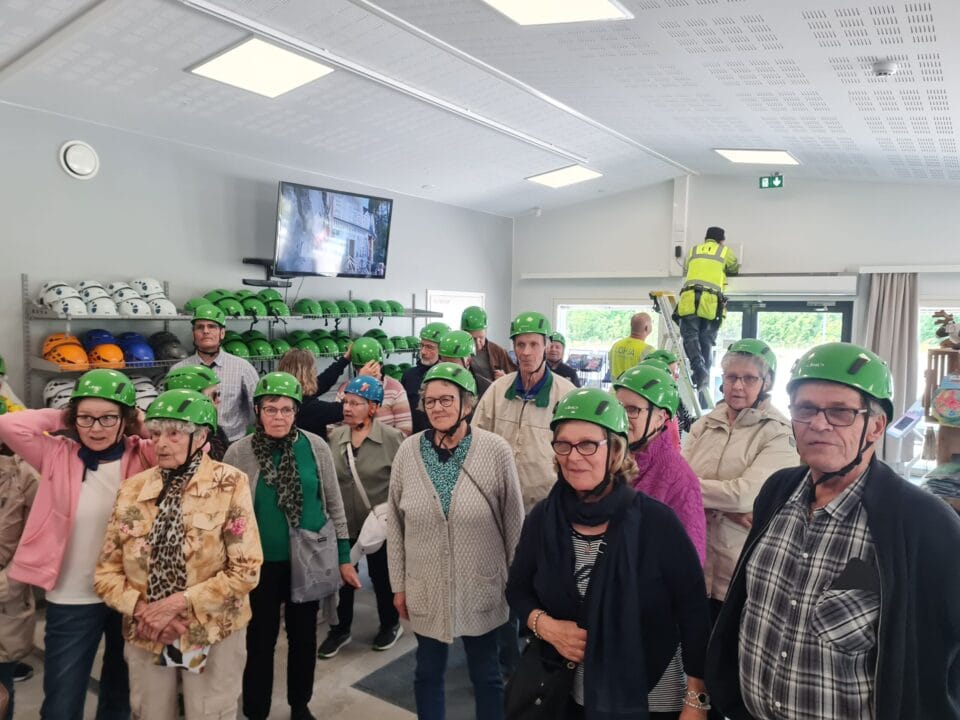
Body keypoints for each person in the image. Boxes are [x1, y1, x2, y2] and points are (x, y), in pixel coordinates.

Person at [706, 342, 960, 720]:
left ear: (876, 426)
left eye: (841, 412)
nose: (818, 424)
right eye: (805, 409)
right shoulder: (777, 492)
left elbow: (942, 661)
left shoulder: (924, 523)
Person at [506, 388, 712, 719]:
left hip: (650, 694)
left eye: (588, 444)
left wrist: (696, 698)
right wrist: (546, 627)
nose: (573, 457)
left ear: (615, 450)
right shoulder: (544, 518)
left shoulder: (656, 522)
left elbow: (693, 611)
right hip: (565, 690)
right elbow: (517, 589)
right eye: (563, 444)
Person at [95, 389, 263, 719]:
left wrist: (175, 606)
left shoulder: (230, 484)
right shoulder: (132, 490)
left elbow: (246, 569)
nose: (161, 443)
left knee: (209, 712)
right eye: (156, 433)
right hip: (147, 632)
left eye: (174, 434)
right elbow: (106, 572)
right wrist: (146, 613)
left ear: (201, 437)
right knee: (151, 712)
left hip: (210, 630)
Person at [0, 368, 157, 720]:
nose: (96, 428)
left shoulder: (143, 455)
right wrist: (65, 416)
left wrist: (139, 421)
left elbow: (195, 446)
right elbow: (8, 426)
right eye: (86, 418)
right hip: (71, 596)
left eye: (108, 418)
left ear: (125, 419)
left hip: (128, 594)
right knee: (61, 701)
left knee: (119, 694)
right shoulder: (58, 454)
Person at [388, 363, 524, 720]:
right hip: (426, 587)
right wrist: (398, 585)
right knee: (427, 673)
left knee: (487, 674)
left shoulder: (495, 450)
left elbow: (514, 524)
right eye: (430, 401)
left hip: (482, 586)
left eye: (446, 399)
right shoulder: (407, 452)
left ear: (467, 403)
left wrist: (518, 585)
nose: (437, 408)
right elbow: (395, 527)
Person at [222, 372, 359, 720]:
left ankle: (300, 705)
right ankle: (256, 711)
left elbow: (334, 503)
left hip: (308, 560)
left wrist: (344, 557)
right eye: (270, 409)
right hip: (258, 566)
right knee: (259, 641)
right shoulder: (239, 451)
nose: (279, 417)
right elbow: (225, 513)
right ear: (257, 410)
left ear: (297, 411)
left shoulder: (315, 447)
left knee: (303, 639)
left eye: (287, 409)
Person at [682, 340, 798, 623]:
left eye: (749, 378)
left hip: (739, 572)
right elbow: (677, 479)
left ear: (766, 382)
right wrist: (728, 507)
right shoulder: (704, 425)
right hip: (694, 562)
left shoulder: (779, 433)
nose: (737, 386)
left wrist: (698, 496)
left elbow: (744, 496)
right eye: (731, 377)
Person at [319, 375, 404, 658]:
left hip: (379, 525)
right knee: (342, 579)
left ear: (373, 407)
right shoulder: (336, 437)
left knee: (382, 577)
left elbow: (403, 482)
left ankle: (390, 624)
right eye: (346, 402)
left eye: (356, 403)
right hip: (344, 524)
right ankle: (339, 630)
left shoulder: (392, 439)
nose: (347, 408)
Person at [472, 312, 576, 513]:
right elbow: (476, 440)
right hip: (499, 501)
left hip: (547, 504)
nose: (526, 352)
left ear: (546, 346)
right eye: (520, 345)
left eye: (534, 344)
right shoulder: (497, 390)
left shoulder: (567, 394)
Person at [613, 364, 706, 563]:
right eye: (618, 407)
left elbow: (689, 560)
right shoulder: (610, 459)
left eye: (632, 410)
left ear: (660, 418)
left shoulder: (678, 478)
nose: (622, 417)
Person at [171, 303, 259, 441]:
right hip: (191, 444)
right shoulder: (178, 371)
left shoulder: (243, 368)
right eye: (200, 327)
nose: (206, 331)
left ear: (222, 333)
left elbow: (257, 408)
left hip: (231, 443)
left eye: (211, 326)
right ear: (193, 334)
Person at [0, 444, 38, 720]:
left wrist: (8, 581)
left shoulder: (23, 475)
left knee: (1, 687)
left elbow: (38, 540)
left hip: (4, 601)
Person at [676, 226, 739, 388]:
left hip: (689, 299)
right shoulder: (724, 251)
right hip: (711, 302)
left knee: (690, 336)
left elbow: (687, 267)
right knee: (707, 340)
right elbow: (734, 267)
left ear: (706, 238)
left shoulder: (693, 250)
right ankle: (704, 375)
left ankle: (698, 369)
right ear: (722, 240)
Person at [336, 337, 412, 436]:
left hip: (387, 445)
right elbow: (333, 429)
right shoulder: (345, 389)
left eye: (373, 365)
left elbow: (405, 429)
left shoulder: (394, 388)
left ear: (381, 365)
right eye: (363, 367)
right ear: (356, 368)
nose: (370, 370)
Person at [162, 364, 230, 460]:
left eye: (219, 394)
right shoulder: (173, 442)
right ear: (192, 401)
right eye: (214, 395)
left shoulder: (214, 431)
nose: (218, 400)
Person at [401, 322, 449, 433]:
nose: (423, 352)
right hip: (414, 438)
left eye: (429, 347)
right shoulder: (409, 376)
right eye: (422, 345)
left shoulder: (450, 378)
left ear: (443, 350)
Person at [460, 305, 516, 386]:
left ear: (486, 332)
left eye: (481, 337)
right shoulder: (457, 351)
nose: (478, 343)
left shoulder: (498, 352)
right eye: (473, 339)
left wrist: (505, 379)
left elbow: (515, 379)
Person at [645, 349, 694, 434]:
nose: (677, 376)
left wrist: (710, 420)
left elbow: (688, 423)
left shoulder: (675, 399)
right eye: (672, 373)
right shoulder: (644, 406)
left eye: (677, 371)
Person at [437, 329, 492, 398]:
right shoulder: (431, 383)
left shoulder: (485, 388)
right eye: (444, 363)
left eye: (452, 364)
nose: (448, 369)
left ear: (468, 361)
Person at [608, 312, 654, 380]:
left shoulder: (616, 345)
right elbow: (651, 376)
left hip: (616, 386)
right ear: (646, 327)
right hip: (636, 386)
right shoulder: (649, 350)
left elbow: (611, 367)